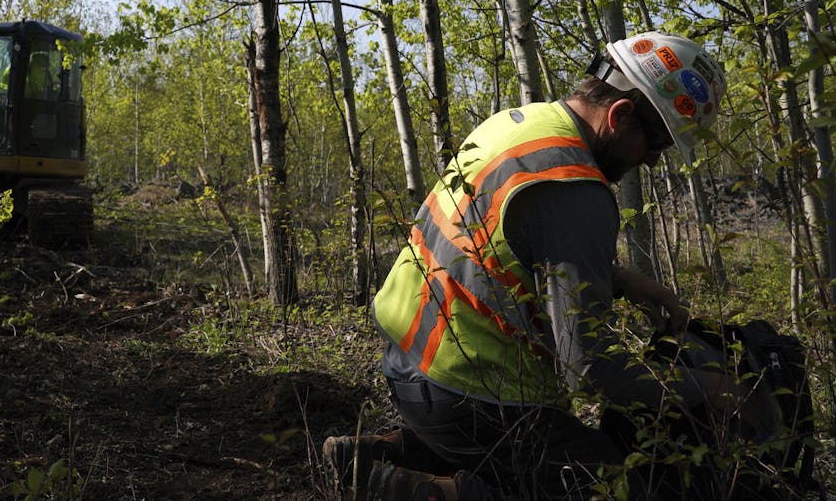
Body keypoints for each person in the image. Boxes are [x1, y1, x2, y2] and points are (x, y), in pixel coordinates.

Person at [325, 32, 773, 500]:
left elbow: (508, 246)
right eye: (655, 146)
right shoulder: (575, 189)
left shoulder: (522, 125)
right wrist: (710, 387)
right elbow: (589, 369)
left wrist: (620, 279)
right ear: (620, 117)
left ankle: (393, 452)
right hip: (463, 391)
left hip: (407, 363)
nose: (652, 162)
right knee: (621, 491)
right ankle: (401, 488)